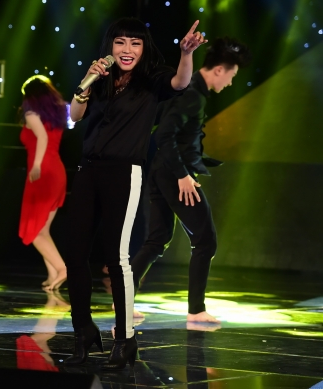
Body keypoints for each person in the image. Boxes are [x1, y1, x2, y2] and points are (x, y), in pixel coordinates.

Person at [64, 18, 207, 369]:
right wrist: (86, 82)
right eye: (120, 42)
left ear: (144, 49)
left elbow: (180, 82)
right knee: (74, 255)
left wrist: (186, 53)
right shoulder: (100, 78)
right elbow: (75, 115)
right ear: (110, 47)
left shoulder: (152, 79)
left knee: (117, 257)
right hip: (88, 170)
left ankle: (125, 339)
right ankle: (83, 331)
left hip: (124, 172)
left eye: (135, 43)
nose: (127, 50)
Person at [131, 37, 251, 323]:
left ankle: (123, 299)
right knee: (206, 241)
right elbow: (164, 135)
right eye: (232, 75)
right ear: (219, 70)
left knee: (157, 240)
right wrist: (183, 174)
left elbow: (176, 134)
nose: (230, 83)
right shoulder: (192, 94)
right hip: (174, 173)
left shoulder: (191, 89)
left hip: (162, 170)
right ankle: (196, 311)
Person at [18, 75, 68, 291]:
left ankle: (62, 269)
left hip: (43, 173)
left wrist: (37, 165)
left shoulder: (31, 113)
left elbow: (42, 138)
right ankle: (53, 274)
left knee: (36, 232)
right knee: (43, 230)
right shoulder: (55, 115)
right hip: (57, 171)